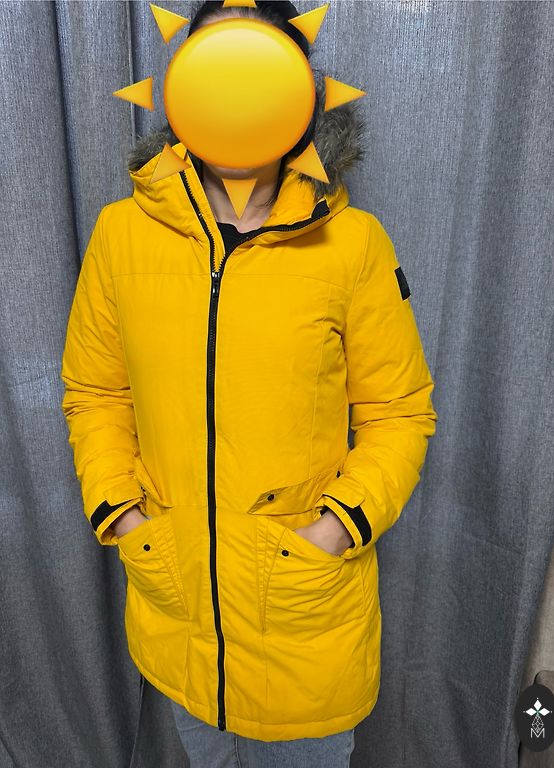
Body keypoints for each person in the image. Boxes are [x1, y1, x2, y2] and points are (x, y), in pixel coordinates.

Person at [60, 1, 438, 766]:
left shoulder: (354, 245)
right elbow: (97, 392)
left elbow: (399, 412)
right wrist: (123, 516)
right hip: (178, 617)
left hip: (305, 624)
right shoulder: (120, 235)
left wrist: (337, 528)